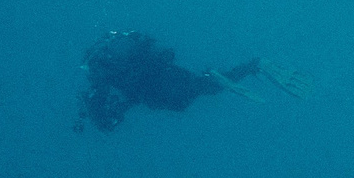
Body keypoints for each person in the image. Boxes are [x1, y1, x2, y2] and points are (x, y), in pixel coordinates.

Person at [76, 31, 310, 132]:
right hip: (171, 76)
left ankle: (242, 68)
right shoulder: (124, 56)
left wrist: (107, 113)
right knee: (203, 87)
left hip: (163, 91)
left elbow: (111, 108)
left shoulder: (102, 73)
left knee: (200, 90)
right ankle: (252, 65)